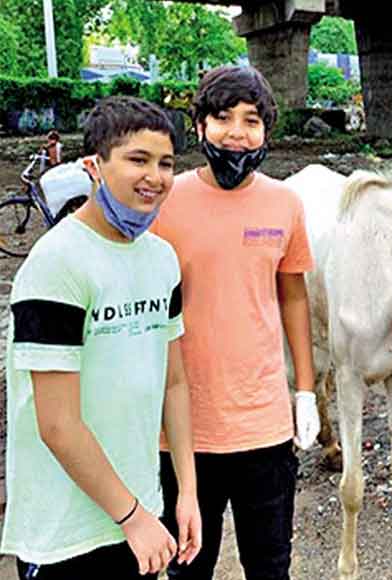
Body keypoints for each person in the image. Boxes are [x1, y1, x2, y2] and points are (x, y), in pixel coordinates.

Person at [1, 96, 201, 579]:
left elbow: (174, 383)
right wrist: (131, 516)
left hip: (141, 513)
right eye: (138, 160)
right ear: (93, 166)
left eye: (166, 163)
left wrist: (187, 492)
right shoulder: (57, 264)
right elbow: (58, 424)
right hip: (67, 533)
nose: (155, 176)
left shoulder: (162, 259)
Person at [151, 65, 319, 580]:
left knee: (269, 566)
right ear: (199, 126)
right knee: (187, 567)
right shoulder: (162, 199)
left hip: (264, 426)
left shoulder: (285, 203)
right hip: (179, 430)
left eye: (251, 120)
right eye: (222, 118)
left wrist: (306, 391)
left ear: (268, 130)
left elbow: (292, 295)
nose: (236, 133)